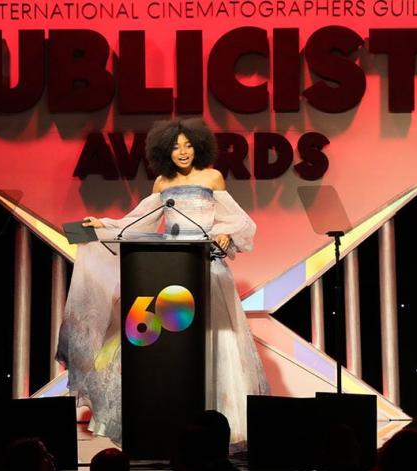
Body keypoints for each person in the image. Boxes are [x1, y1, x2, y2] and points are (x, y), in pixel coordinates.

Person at [56, 117, 269, 447]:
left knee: (214, 344)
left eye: (187, 145)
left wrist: (224, 235)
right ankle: (170, 418)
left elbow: (241, 223)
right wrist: (101, 224)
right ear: (163, 151)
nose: (182, 152)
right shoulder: (161, 184)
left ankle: (218, 425)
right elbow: (135, 223)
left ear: (197, 146)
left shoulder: (211, 177)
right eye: (174, 146)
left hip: (206, 270)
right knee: (170, 345)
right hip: (172, 276)